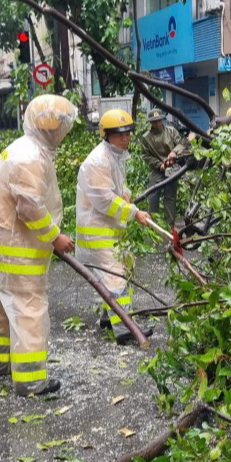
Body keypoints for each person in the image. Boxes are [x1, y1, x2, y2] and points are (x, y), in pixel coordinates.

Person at [0, 94, 76, 396]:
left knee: (6, 307)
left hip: (0, 246)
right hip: (15, 249)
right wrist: (55, 237)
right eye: (61, 125)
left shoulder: (22, 146)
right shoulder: (31, 157)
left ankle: (0, 363)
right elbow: (29, 207)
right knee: (29, 311)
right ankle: (31, 380)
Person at [76, 109, 154, 345]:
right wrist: (133, 212)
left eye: (128, 133)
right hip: (97, 230)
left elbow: (117, 189)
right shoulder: (99, 160)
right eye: (120, 134)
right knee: (115, 276)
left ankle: (108, 318)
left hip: (108, 228)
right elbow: (104, 199)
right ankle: (124, 328)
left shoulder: (114, 156)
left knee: (113, 273)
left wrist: (127, 197)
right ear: (106, 134)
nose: (126, 138)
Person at [139, 110, 188, 228]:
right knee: (152, 195)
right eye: (154, 122)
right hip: (157, 170)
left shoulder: (171, 131)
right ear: (150, 122)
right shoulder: (146, 138)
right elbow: (145, 155)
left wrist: (174, 152)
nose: (157, 124)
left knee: (170, 196)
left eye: (159, 121)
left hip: (172, 168)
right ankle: (153, 225)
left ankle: (169, 226)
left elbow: (182, 143)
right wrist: (159, 164)